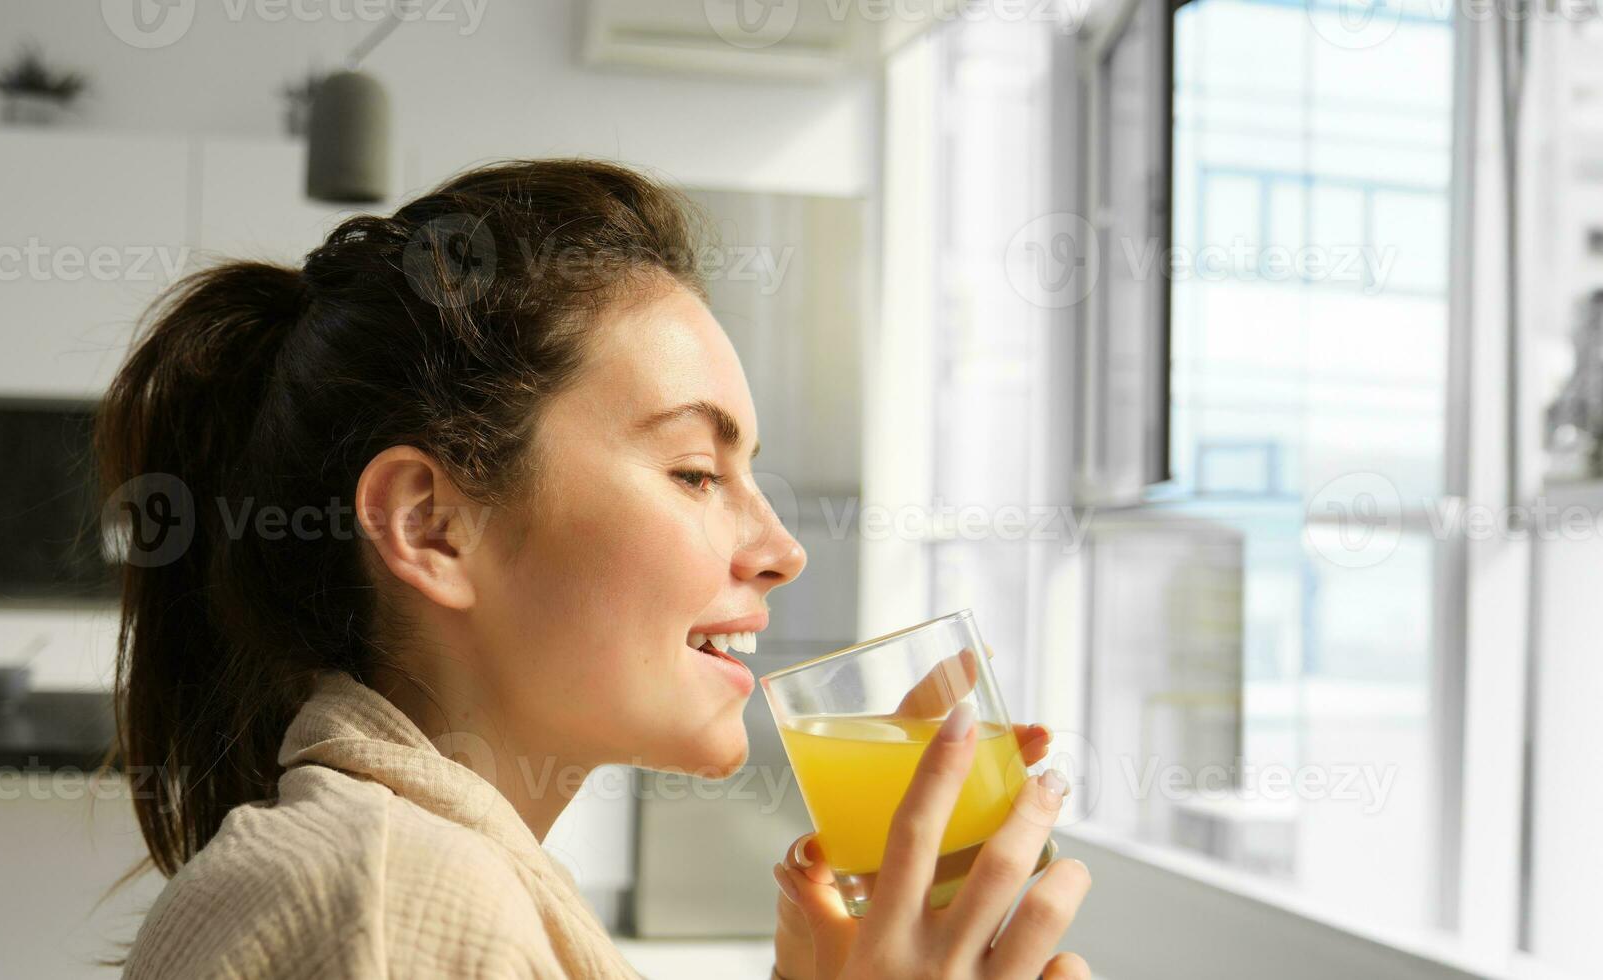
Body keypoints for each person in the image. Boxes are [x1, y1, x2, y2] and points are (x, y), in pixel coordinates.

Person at [99, 158, 1091, 979]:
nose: (783, 551)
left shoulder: (427, 870)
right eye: (695, 471)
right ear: (432, 526)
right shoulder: (401, 902)